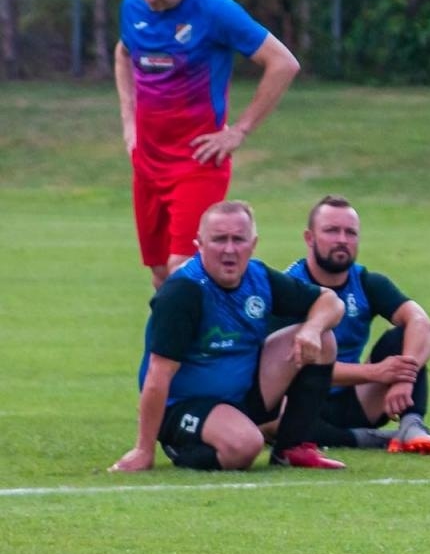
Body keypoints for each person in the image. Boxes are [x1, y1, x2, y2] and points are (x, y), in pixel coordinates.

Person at [116, 0, 301, 289]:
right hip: (148, 161)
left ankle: (231, 323)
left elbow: (283, 63)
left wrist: (240, 130)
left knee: (183, 269)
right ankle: (178, 331)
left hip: (198, 161)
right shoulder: (132, 5)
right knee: (160, 271)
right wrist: (128, 120)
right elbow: (123, 53)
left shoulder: (213, 8)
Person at [111, 200, 349, 472]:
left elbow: (331, 301)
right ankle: (183, 446)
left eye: (238, 239)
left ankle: (292, 448)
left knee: (324, 340)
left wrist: (312, 329)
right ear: (200, 244)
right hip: (182, 406)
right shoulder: (184, 292)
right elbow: (158, 374)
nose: (229, 249)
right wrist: (144, 450)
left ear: (253, 244)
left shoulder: (259, 277)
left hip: (243, 396)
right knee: (246, 446)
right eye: (219, 239)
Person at [278, 196, 430, 455]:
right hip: (301, 398)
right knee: (274, 420)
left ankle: (412, 424)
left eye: (350, 233)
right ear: (309, 238)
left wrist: (404, 378)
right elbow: (296, 367)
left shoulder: (367, 282)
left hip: (355, 400)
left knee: (405, 336)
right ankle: (374, 439)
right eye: (332, 231)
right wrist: (375, 372)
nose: (342, 239)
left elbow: (422, 324)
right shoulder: (288, 288)